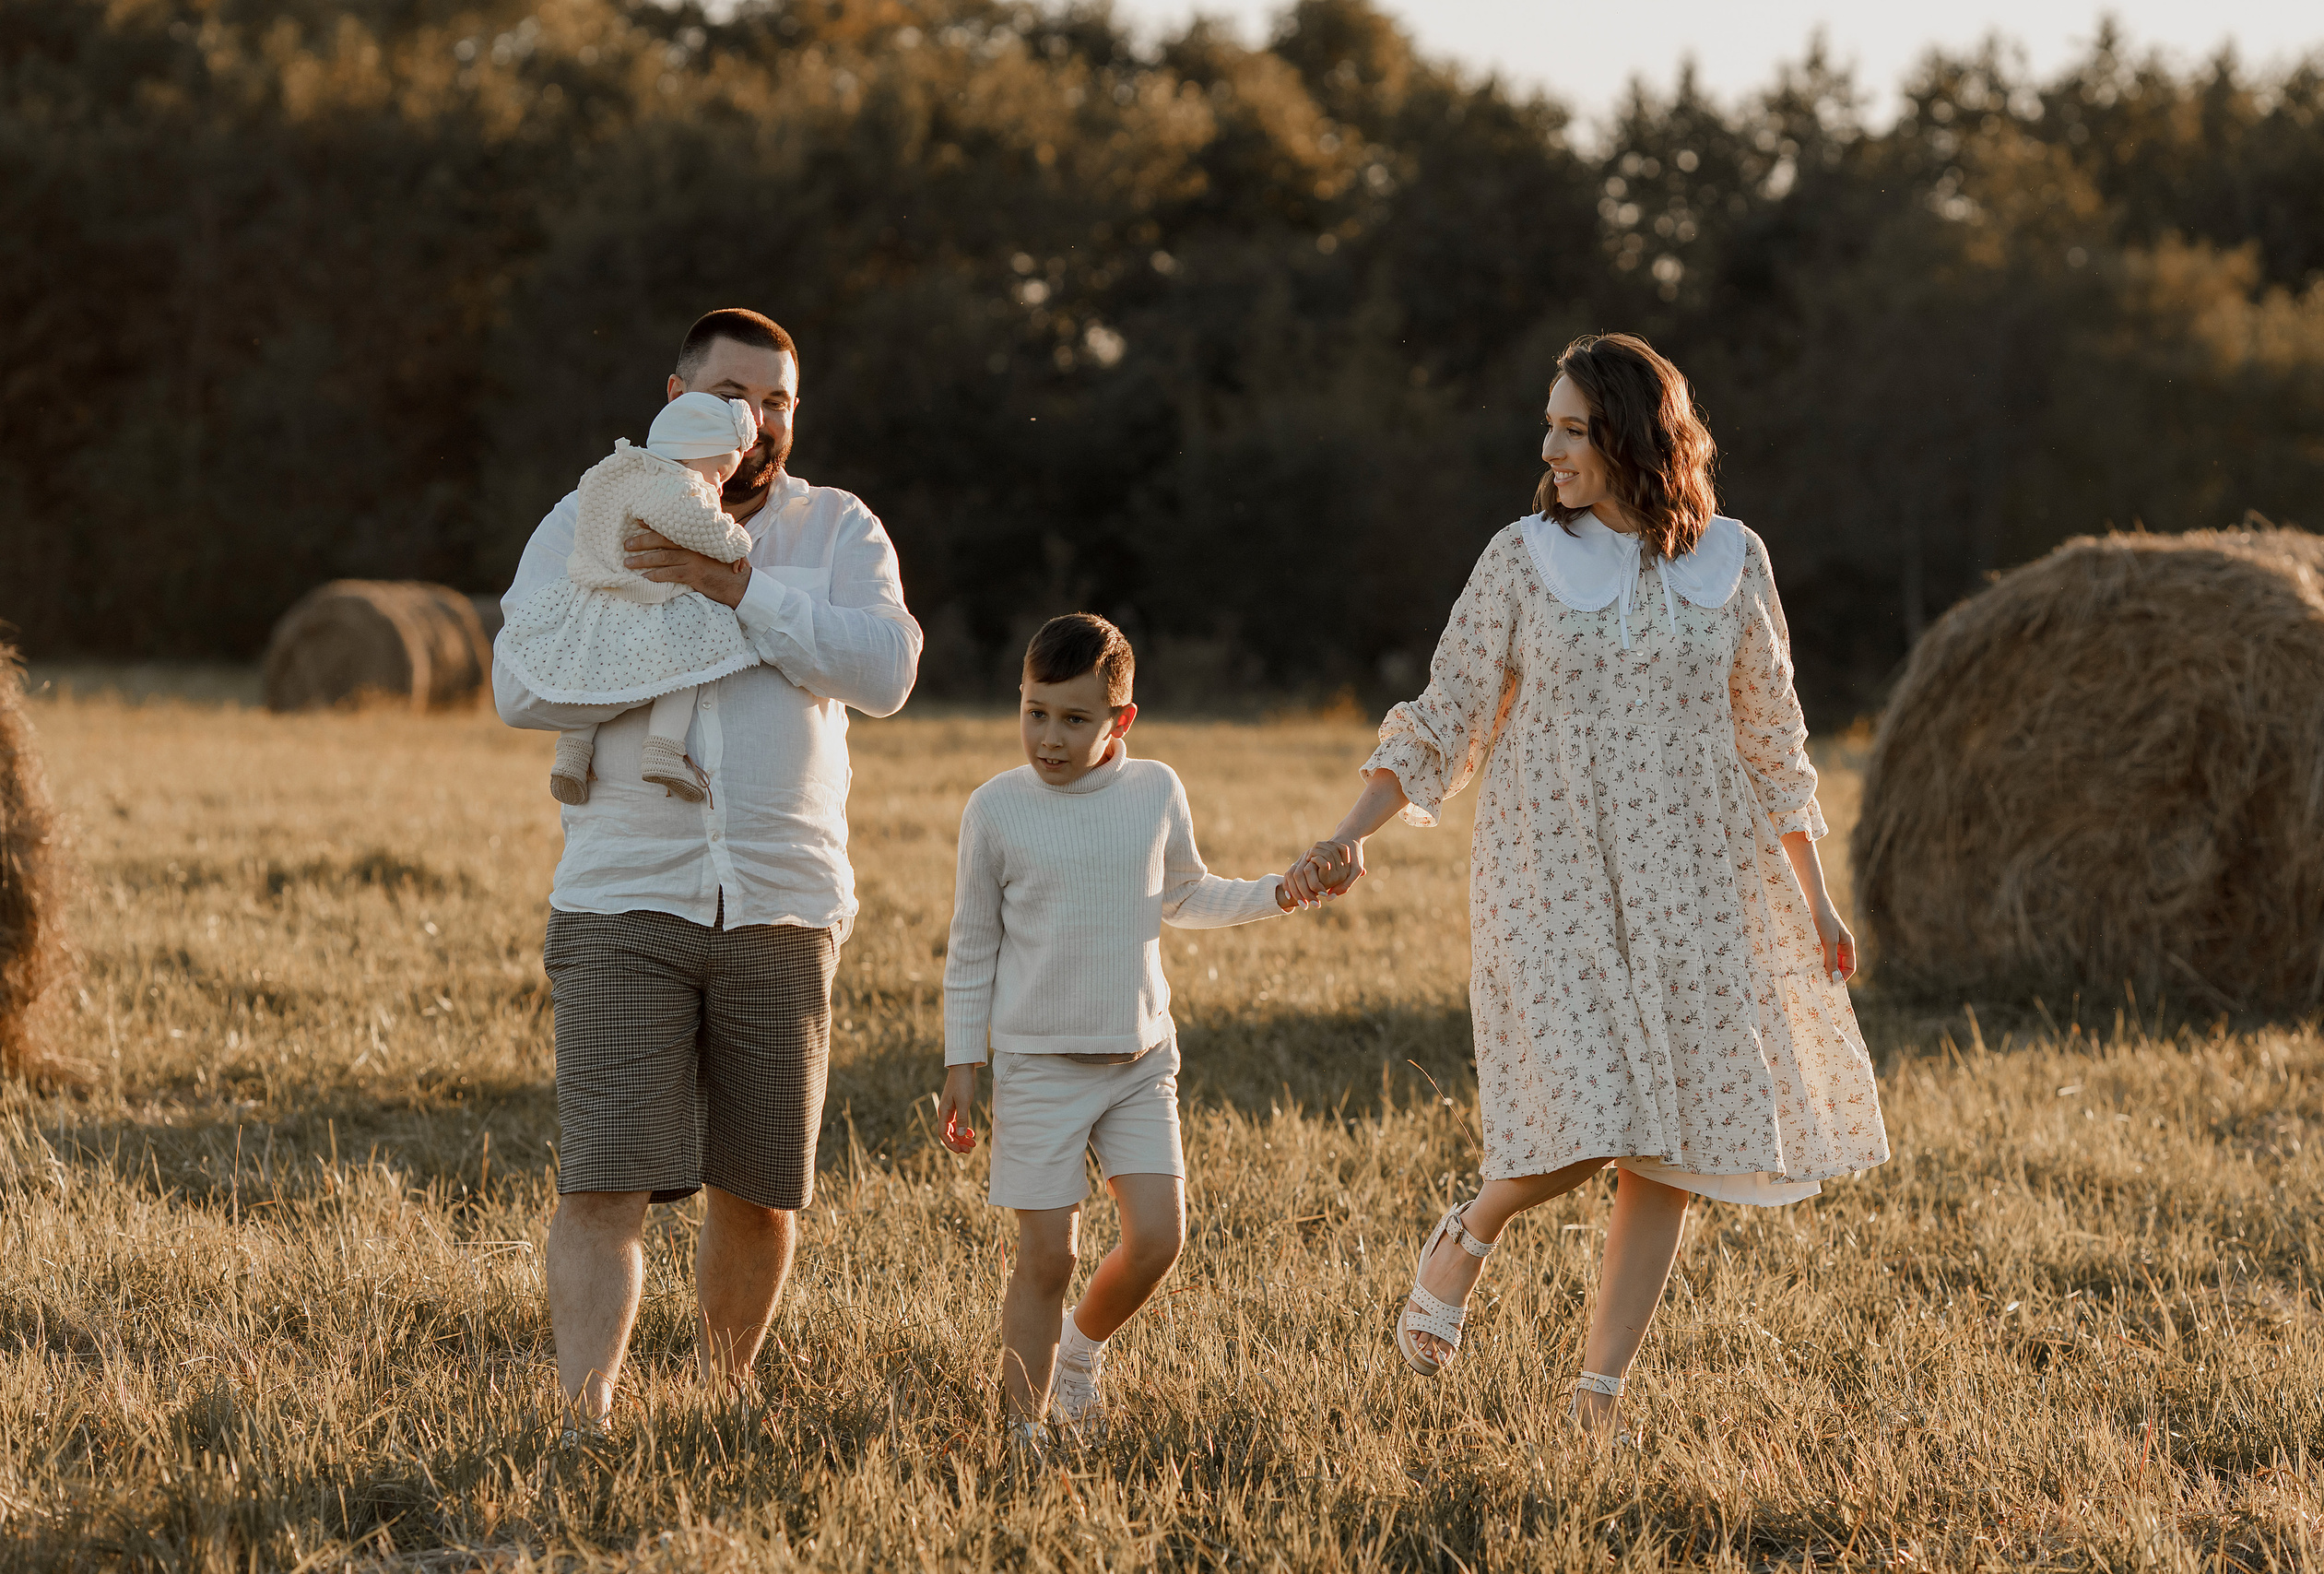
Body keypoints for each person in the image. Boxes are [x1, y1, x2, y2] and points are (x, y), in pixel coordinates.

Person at [1282, 333, 1888, 1440]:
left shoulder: (1733, 560)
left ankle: (1598, 1396)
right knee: (1581, 1112)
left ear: (1628, 436)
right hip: (1548, 867)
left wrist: (1816, 898)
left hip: (1698, 875)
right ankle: (1469, 1231)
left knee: (1673, 1139)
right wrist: (1350, 833)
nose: (1548, 447)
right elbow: (1445, 713)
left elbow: (1772, 740)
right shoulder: (1520, 558)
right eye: (1549, 426)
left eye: (1570, 428)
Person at [492, 307, 923, 1432]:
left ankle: (723, 1400)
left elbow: (884, 671)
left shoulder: (834, 531)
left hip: (781, 901)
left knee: (762, 1190)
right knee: (602, 1182)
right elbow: (521, 684)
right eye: (736, 394)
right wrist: (662, 620)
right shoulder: (591, 515)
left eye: (780, 400)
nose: (759, 420)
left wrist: (736, 593)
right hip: (624, 894)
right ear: (676, 389)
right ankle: (583, 1421)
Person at [935, 613, 1311, 1449]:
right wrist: (965, 1059)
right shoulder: (995, 809)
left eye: (1075, 718)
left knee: (1157, 1240)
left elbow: (1184, 892)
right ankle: (1023, 1432)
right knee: (1048, 1260)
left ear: (1122, 721)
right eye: (1035, 712)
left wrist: (1275, 893)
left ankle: (1079, 1356)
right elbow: (972, 945)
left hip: (1142, 1060)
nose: (1051, 737)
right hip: (1038, 1065)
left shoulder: (1154, 792)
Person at [496, 392, 762, 805]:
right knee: (688, 665)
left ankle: (571, 755)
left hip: (596, 598)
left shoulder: (621, 471)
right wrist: (734, 543)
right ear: (694, 455)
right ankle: (664, 749)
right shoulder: (675, 486)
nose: (719, 486)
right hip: (646, 597)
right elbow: (696, 525)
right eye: (718, 474)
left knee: (585, 675)